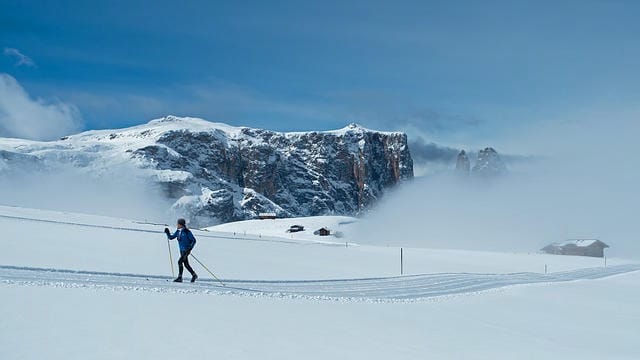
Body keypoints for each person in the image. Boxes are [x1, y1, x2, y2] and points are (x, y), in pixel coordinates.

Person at [165, 218, 198, 283]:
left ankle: (180, 277)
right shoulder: (178, 231)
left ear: (181, 224)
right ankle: (194, 275)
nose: (177, 225)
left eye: (178, 224)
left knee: (180, 262)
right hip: (181, 250)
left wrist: (189, 248)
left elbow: (193, 240)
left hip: (186, 250)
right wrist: (167, 233)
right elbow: (171, 237)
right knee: (186, 264)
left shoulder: (187, 232)